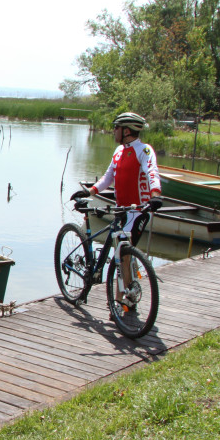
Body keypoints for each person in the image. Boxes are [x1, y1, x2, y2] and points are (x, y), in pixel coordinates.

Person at [70, 111, 163, 306]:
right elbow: (108, 177)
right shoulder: (119, 152)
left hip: (138, 211)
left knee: (124, 252)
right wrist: (89, 192)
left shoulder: (143, 150)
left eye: (116, 128)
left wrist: (155, 195)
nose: (113, 131)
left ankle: (123, 299)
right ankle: (121, 300)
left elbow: (152, 172)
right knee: (121, 253)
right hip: (121, 209)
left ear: (126, 130)